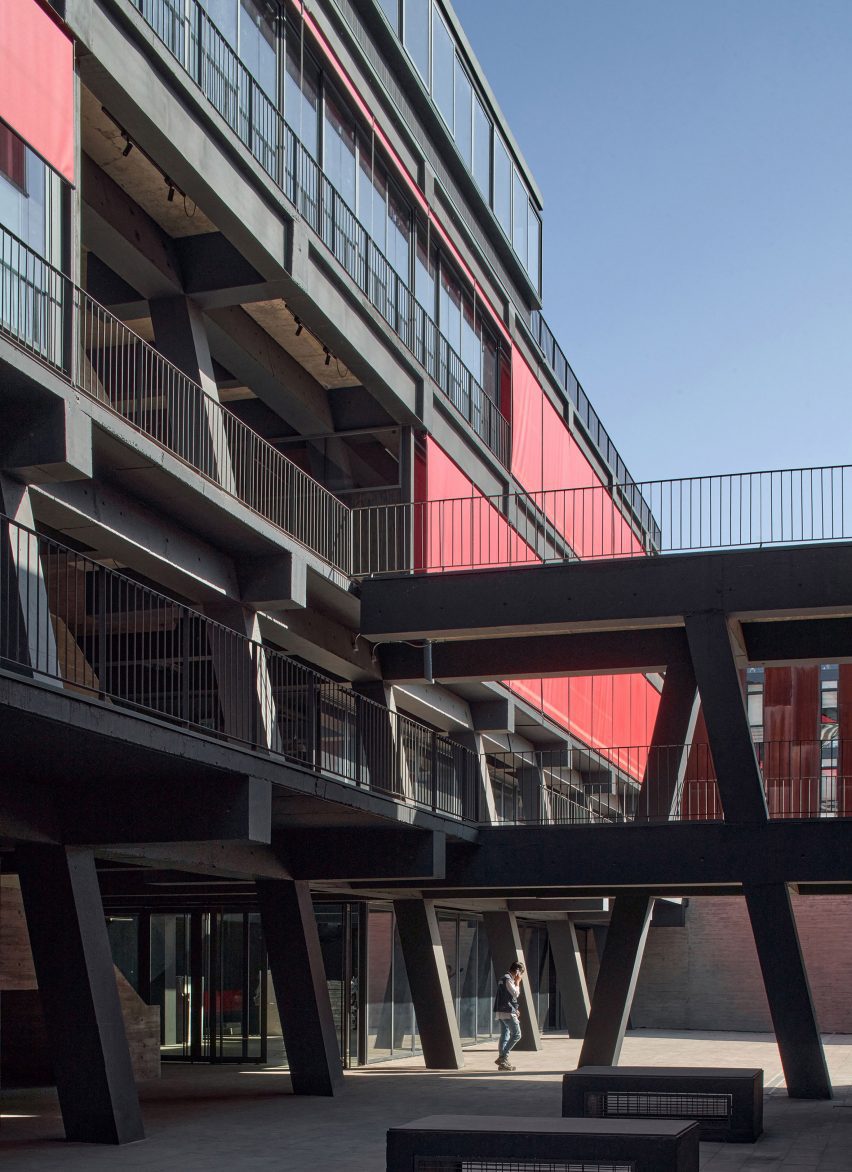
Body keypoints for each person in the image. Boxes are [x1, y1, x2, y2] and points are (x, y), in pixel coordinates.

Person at [493, 960, 525, 1070]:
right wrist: (518, 982)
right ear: (517, 971)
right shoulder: (508, 979)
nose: (520, 976)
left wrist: (515, 1009)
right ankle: (503, 1058)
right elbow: (515, 993)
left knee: (505, 1034)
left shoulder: (504, 978)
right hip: (507, 1011)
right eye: (521, 973)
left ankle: (503, 1064)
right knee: (517, 1034)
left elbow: (506, 997)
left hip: (502, 1010)